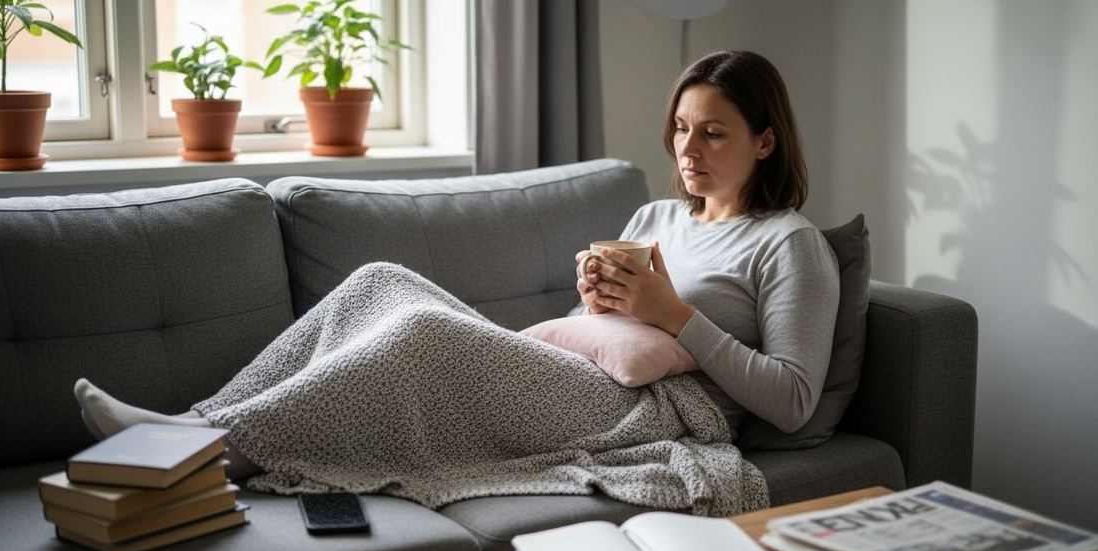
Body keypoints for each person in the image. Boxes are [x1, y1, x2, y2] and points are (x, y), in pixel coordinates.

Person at [73, 51, 837, 513]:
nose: (688, 147)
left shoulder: (788, 244)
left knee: (423, 333)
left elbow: (796, 404)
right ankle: (197, 418)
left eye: (713, 131)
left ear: (765, 141)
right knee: (380, 281)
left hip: (661, 414)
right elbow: (605, 329)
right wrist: (600, 296)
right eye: (680, 127)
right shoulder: (654, 214)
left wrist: (676, 319)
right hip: (585, 374)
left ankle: (206, 448)